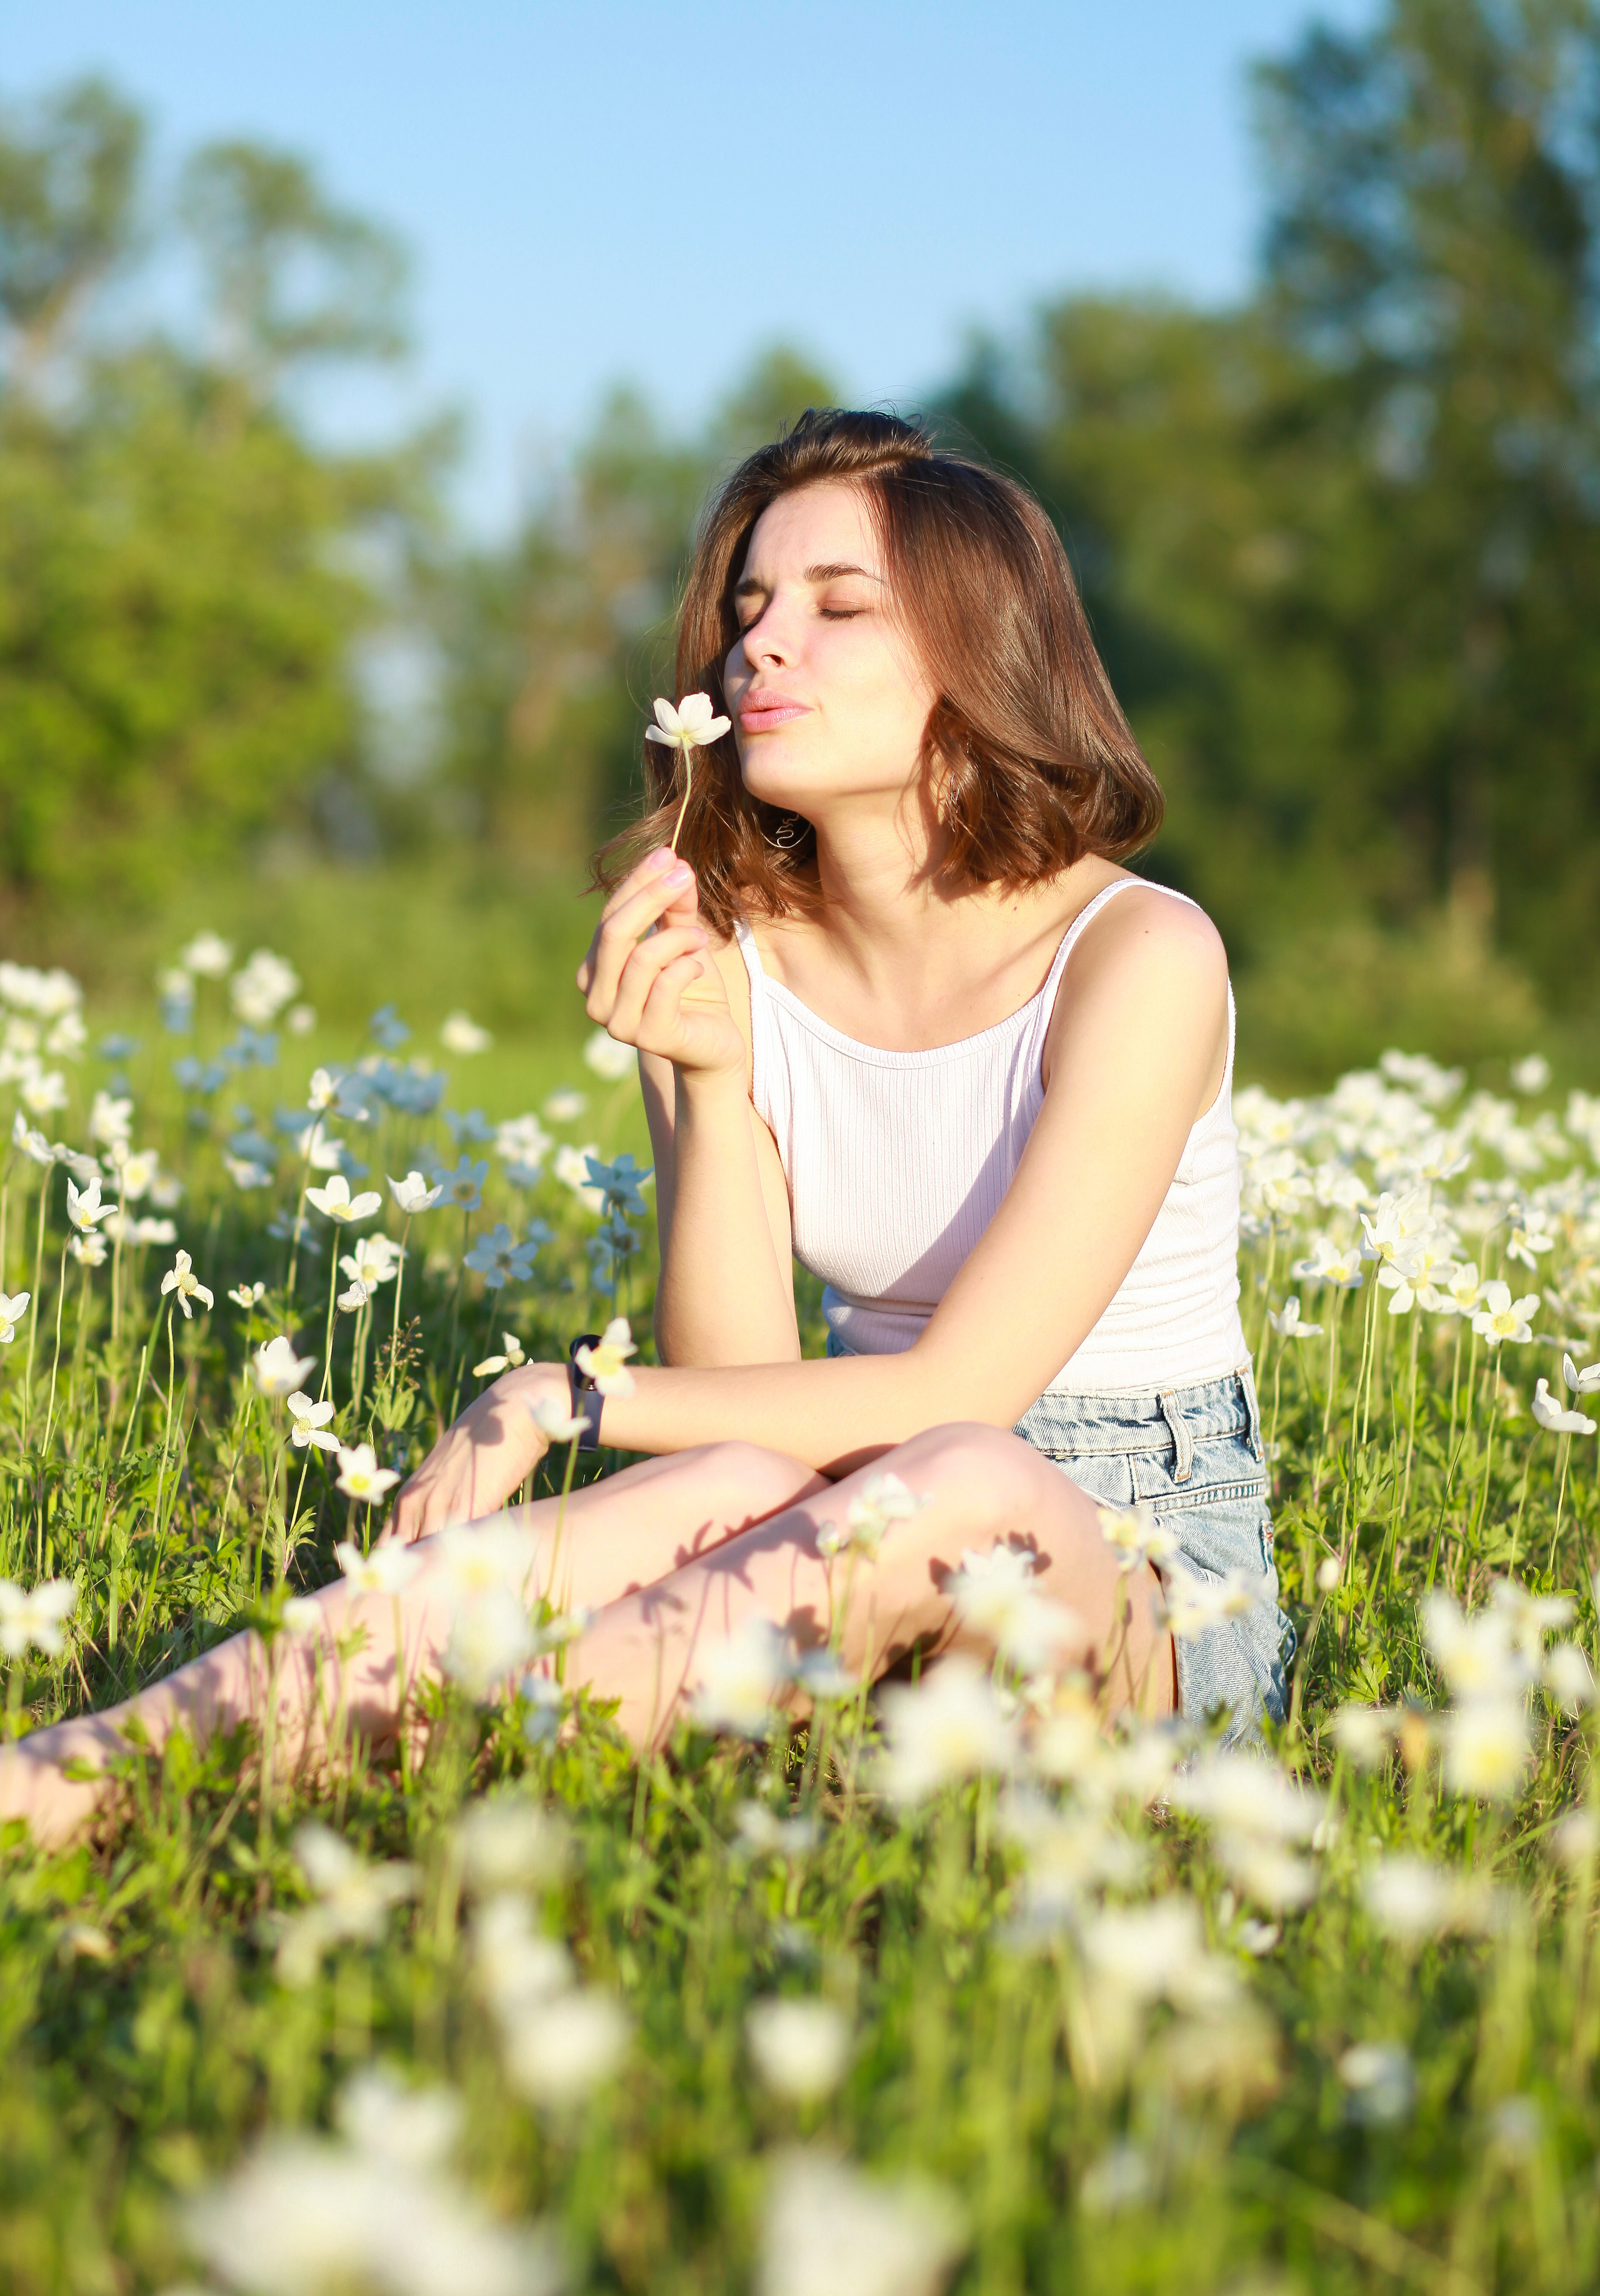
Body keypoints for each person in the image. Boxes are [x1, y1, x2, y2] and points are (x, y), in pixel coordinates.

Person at [0, 409, 1291, 1849]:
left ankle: (428, 1799)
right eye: (746, 610)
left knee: (960, 1474)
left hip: (1133, 1590)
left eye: (836, 606)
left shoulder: (1135, 955)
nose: (761, 646)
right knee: (735, 1478)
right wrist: (704, 1084)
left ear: (981, 653)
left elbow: (966, 1393)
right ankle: (69, 1783)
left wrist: (557, 1394)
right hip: (836, 1515)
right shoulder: (731, 956)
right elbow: (735, 1393)